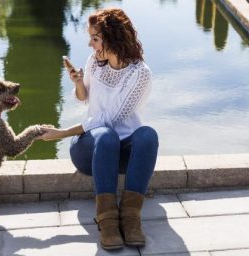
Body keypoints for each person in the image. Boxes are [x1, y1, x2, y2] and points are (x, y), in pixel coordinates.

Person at [39, 8, 159, 250]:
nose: (90, 44)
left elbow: (109, 118)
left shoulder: (139, 74)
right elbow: (84, 99)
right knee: (105, 136)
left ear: (112, 38)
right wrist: (78, 83)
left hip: (122, 153)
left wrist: (60, 133)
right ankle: (108, 222)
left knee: (148, 135)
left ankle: (130, 218)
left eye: (95, 38)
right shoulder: (95, 62)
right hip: (90, 149)